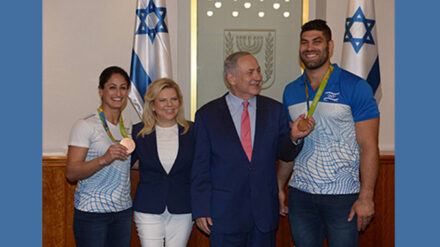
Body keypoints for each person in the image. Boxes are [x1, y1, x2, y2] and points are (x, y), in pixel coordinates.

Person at [191, 51, 315, 247]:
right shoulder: (207, 115)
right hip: (223, 215)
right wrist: (201, 209)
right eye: (250, 72)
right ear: (231, 78)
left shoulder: (274, 110)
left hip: (263, 214)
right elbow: (200, 167)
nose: (258, 77)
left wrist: (293, 137)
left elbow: (285, 154)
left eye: (258, 71)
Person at [278, 19, 380, 247]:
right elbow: (290, 148)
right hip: (300, 195)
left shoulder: (355, 87)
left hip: (343, 196)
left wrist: (366, 197)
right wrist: (279, 186)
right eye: (304, 42)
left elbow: (369, 146)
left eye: (317, 41)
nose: (309, 47)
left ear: (330, 46)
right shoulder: (291, 90)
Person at [66, 66, 133, 247]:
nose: (118, 93)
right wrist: (104, 159)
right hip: (92, 213)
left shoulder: (127, 124)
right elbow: (71, 173)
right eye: (112, 87)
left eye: (123, 87)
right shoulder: (85, 125)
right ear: (101, 91)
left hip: (123, 211)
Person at [131, 78, 194, 247]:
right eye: (163, 100)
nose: (170, 105)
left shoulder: (193, 131)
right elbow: (130, 163)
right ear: (152, 105)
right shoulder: (137, 132)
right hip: (148, 207)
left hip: (182, 207)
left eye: (174, 99)